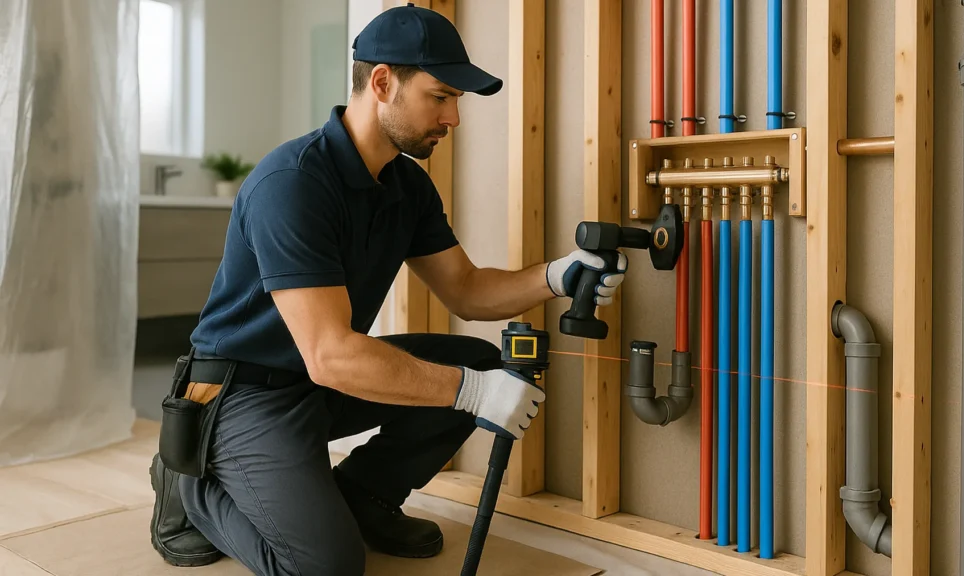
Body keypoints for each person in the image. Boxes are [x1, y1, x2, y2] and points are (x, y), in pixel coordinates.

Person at [148, 4, 628, 576]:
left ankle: (362, 498)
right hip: (242, 393)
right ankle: (189, 481)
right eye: (441, 96)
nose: (454, 118)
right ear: (382, 83)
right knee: (327, 567)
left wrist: (556, 275)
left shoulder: (407, 186)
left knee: (482, 362)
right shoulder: (293, 184)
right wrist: (469, 393)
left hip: (315, 380)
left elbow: (468, 291)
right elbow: (331, 355)